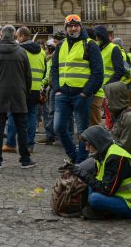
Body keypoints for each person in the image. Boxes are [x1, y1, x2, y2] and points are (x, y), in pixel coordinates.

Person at [52, 14, 103, 167]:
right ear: (66, 28)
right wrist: (56, 89)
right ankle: (74, 157)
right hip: (63, 94)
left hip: (82, 95)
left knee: (82, 131)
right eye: (70, 26)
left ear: (80, 26)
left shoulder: (90, 44)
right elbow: (54, 69)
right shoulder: (60, 45)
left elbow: (98, 73)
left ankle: (80, 162)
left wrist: (85, 92)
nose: (73, 28)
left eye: (76, 25)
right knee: (59, 128)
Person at [0, 25, 35, 169]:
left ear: (2, 35)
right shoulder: (21, 52)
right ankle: (25, 159)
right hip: (18, 93)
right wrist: (25, 92)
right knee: (21, 128)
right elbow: (28, 77)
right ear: (13, 35)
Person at [66, 125, 131, 220]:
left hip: (127, 202)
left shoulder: (116, 157)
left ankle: (100, 211)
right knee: (89, 182)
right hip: (116, 194)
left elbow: (107, 190)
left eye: (88, 145)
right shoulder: (102, 152)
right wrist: (75, 170)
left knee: (94, 198)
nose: (86, 149)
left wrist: (82, 173)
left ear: (96, 142)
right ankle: (93, 209)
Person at [4, 27, 46, 153]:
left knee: (13, 115)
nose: (16, 39)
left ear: (22, 36)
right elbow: (44, 71)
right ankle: (29, 145)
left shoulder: (18, 50)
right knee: (32, 117)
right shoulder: (42, 52)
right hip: (35, 89)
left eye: (17, 36)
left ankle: (11, 143)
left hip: (20, 88)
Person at [91, 26, 126, 127]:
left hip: (108, 90)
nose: (96, 39)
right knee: (97, 118)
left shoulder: (113, 49)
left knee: (112, 119)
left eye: (97, 37)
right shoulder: (96, 48)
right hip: (96, 89)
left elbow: (120, 71)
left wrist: (107, 86)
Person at [105, 81, 131, 153]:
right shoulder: (118, 114)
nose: (105, 100)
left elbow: (125, 149)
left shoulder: (128, 117)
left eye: (108, 97)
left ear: (116, 97)